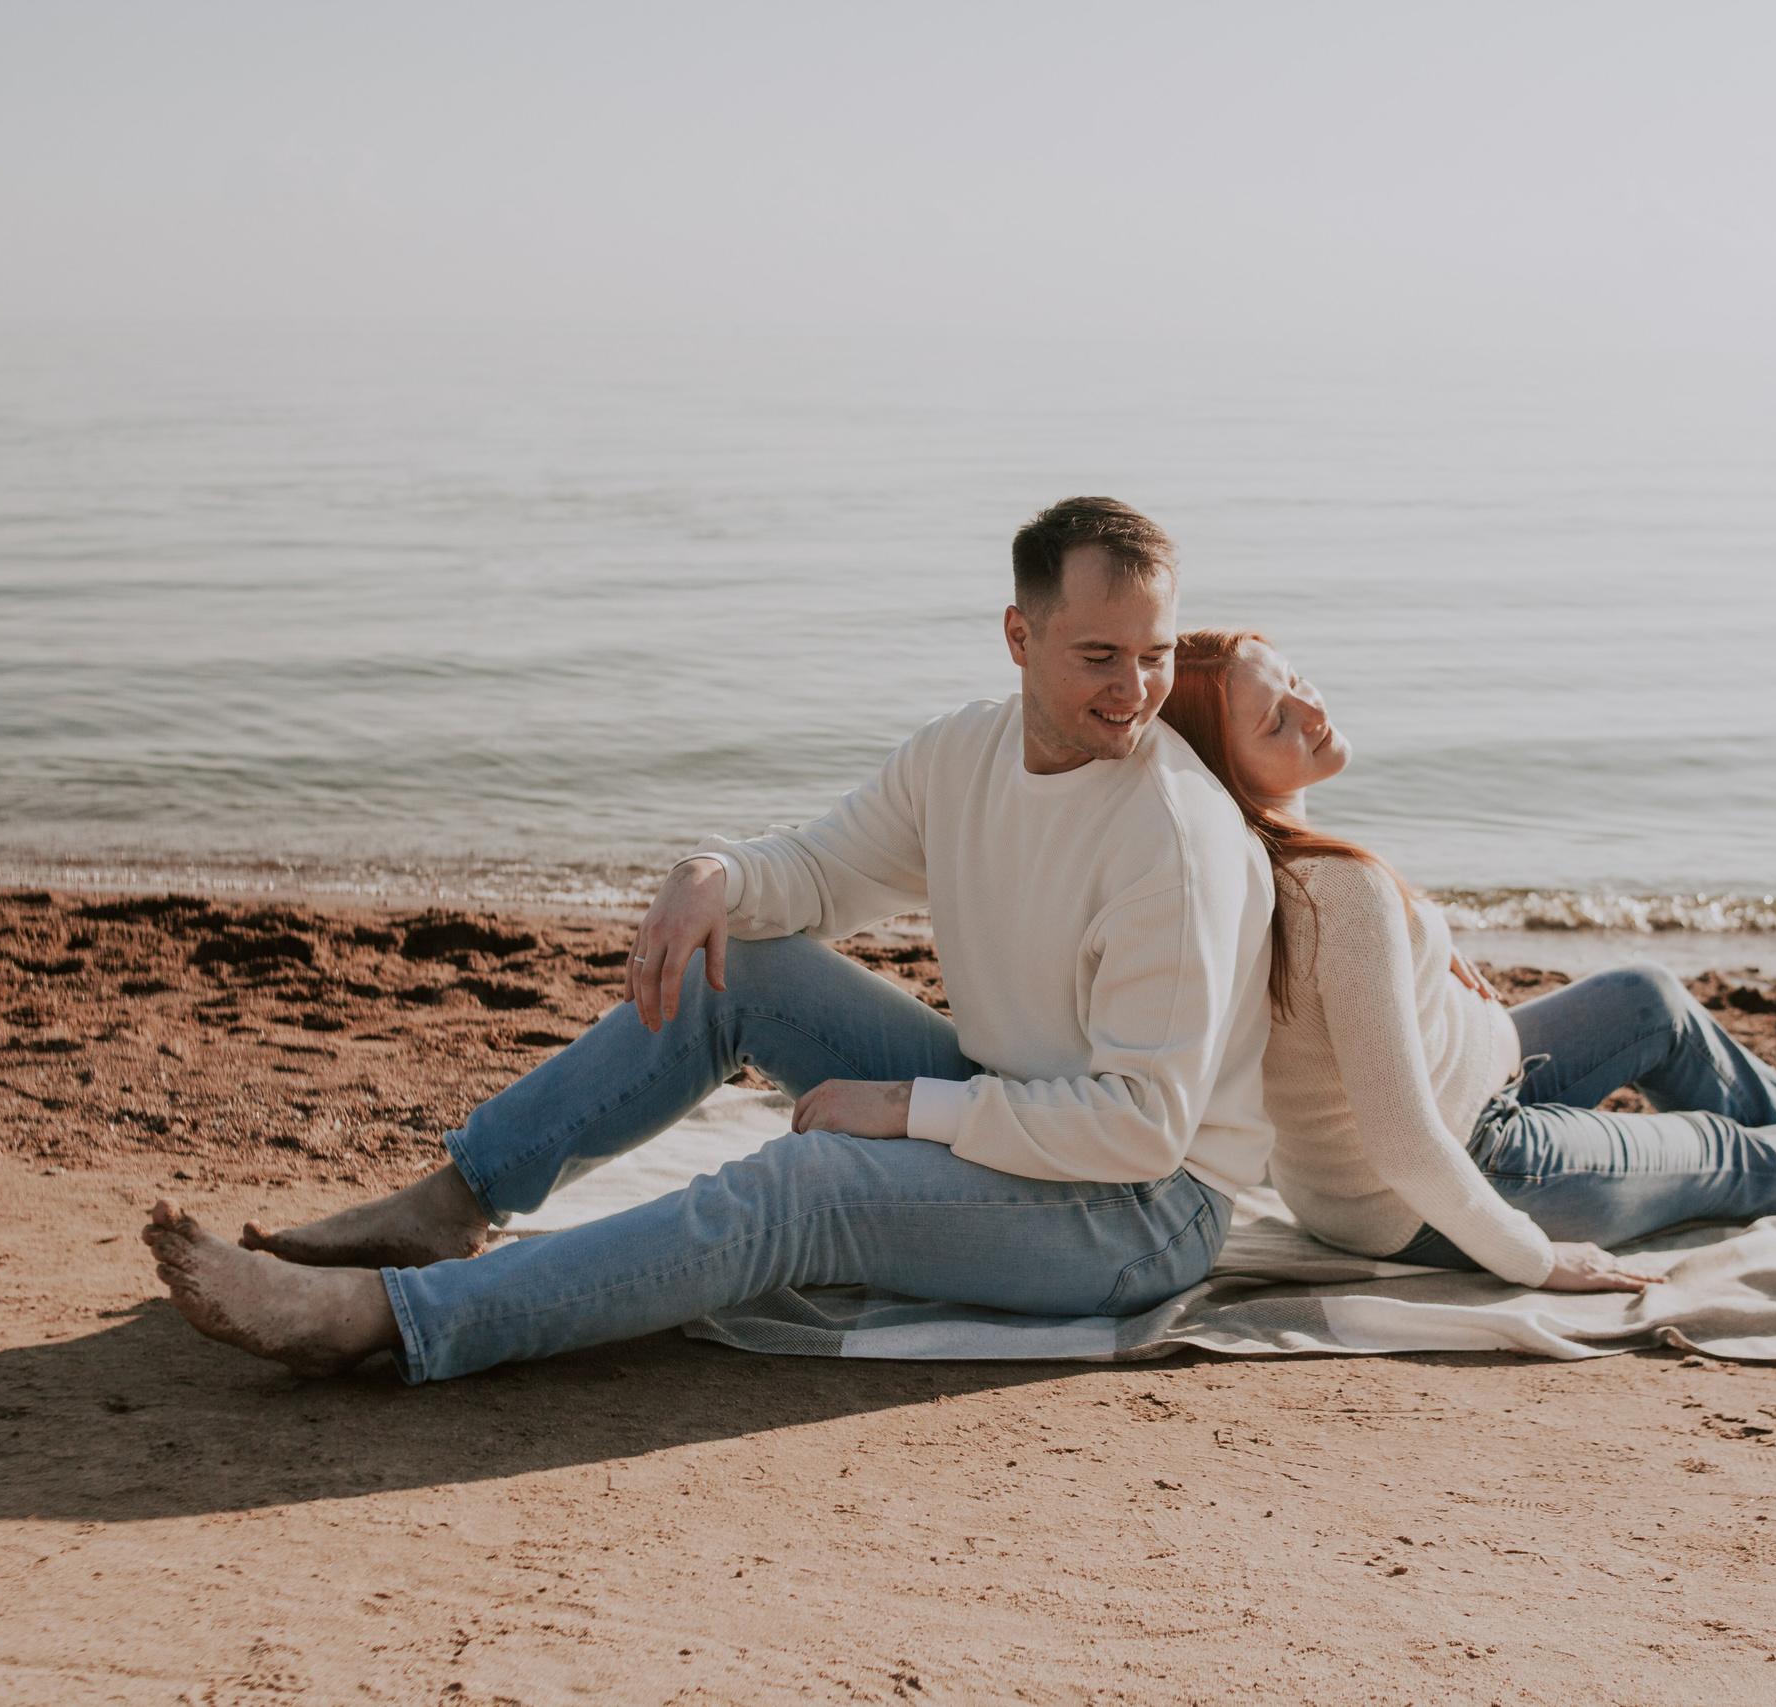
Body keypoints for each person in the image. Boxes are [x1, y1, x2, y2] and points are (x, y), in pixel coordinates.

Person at [142, 498, 1275, 1381]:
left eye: (1156, 654)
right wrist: (715, 875)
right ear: (1019, 637)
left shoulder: (1166, 842)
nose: (1136, 691)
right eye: (1099, 656)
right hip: (1012, 1105)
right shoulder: (960, 754)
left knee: (803, 1188)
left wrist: (908, 1110)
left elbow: (1139, 1128)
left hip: (1133, 1211)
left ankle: (390, 1323)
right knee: (748, 964)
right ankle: (444, 1212)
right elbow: (822, 876)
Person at [1155, 628, 1776, 1295]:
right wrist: (1539, 1260)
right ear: (1227, 770)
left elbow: (1343, 986)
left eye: (1295, 676)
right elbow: (1405, 1141)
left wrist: (1426, 950)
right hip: (1459, 1171)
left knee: (1649, 999)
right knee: (1724, 1153)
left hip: (1407, 1136)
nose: (1310, 705)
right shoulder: (1336, 890)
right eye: (1274, 721)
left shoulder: (1252, 863)